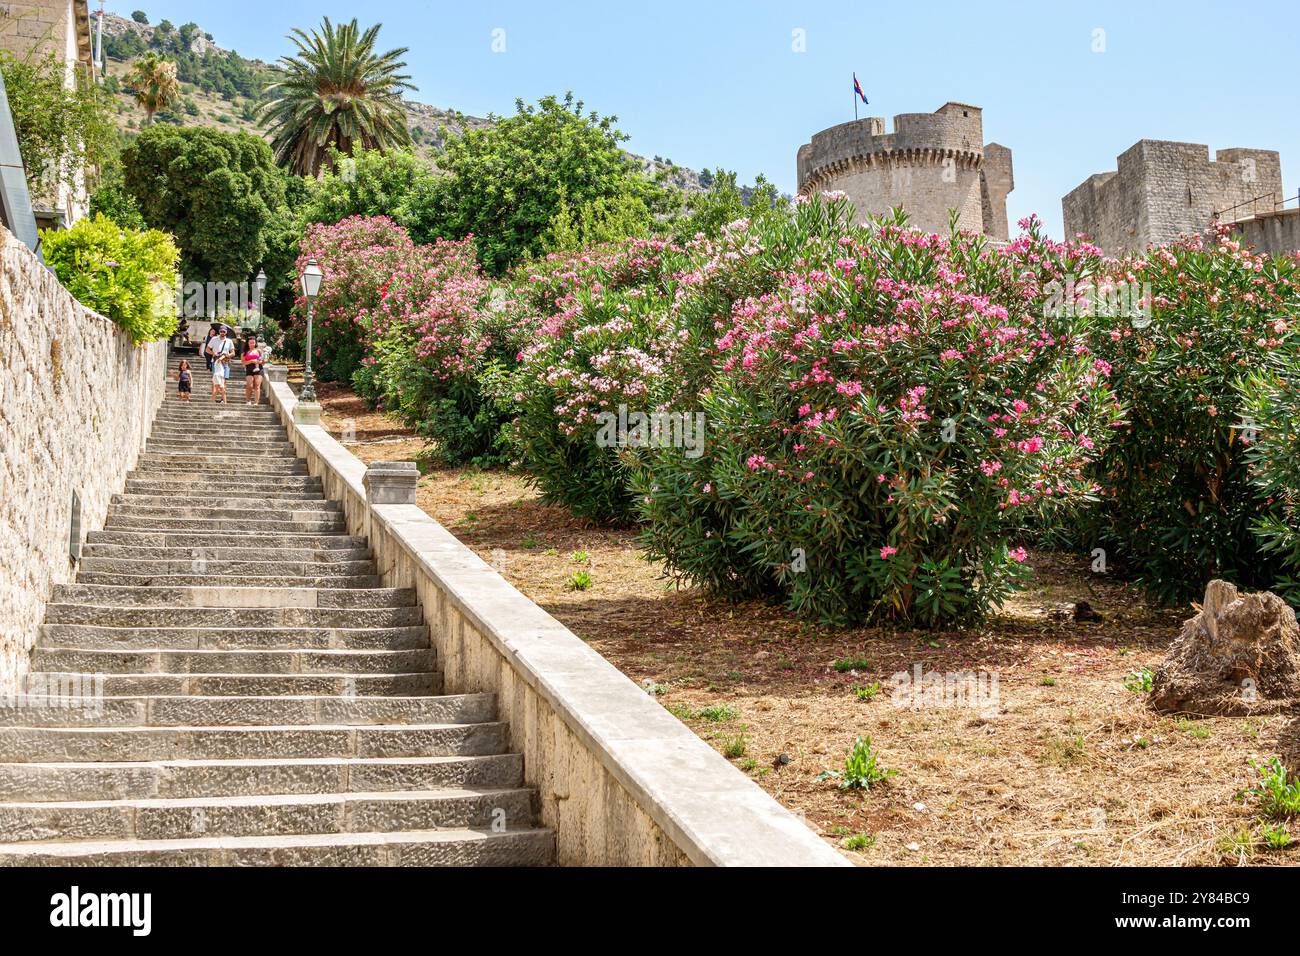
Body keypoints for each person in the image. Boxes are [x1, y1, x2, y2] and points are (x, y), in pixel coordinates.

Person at [207, 326, 235, 404]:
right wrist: (213, 353)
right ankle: (213, 399)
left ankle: (223, 399)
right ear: (219, 331)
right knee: (215, 381)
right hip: (216, 362)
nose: (222, 333)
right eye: (221, 331)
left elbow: (233, 353)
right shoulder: (214, 339)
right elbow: (207, 349)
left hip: (225, 362)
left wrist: (226, 355)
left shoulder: (229, 341)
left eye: (224, 331)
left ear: (226, 332)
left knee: (224, 381)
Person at [242, 337, 265, 406]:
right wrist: (251, 361)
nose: (252, 344)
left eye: (253, 343)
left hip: (258, 369)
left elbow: (263, 361)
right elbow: (243, 363)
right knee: (249, 385)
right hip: (249, 369)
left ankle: (256, 402)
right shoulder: (245, 352)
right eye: (250, 343)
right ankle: (248, 401)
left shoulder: (259, 351)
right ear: (248, 343)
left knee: (257, 385)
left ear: (255, 343)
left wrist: (258, 361)